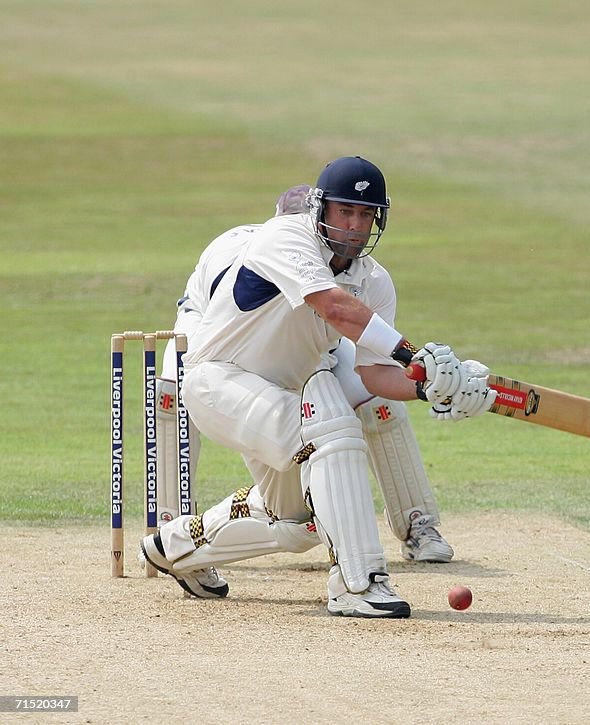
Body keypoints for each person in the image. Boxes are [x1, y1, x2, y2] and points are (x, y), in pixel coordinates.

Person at [141, 156, 495, 618]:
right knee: (334, 430)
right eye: (344, 211)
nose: (353, 225)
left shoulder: (375, 281)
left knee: (298, 523)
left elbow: (374, 376)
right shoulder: (284, 237)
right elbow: (334, 308)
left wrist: (430, 386)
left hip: (280, 398)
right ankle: (358, 584)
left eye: (365, 215)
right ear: (321, 210)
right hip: (219, 384)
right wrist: (413, 355)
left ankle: (177, 547)